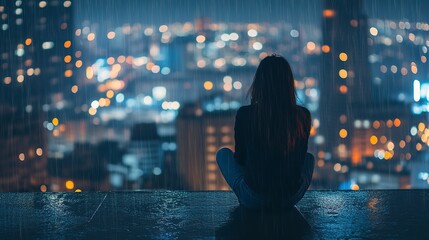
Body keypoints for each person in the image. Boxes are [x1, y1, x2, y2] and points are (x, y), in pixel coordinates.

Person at [216, 55, 314, 209]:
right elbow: (301, 159)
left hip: (254, 198)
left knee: (223, 154)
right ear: (288, 84)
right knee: (309, 158)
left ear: (259, 84)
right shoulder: (302, 115)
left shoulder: (246, 114)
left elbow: (241, 159)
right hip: (290, 198)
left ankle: (246, 197)